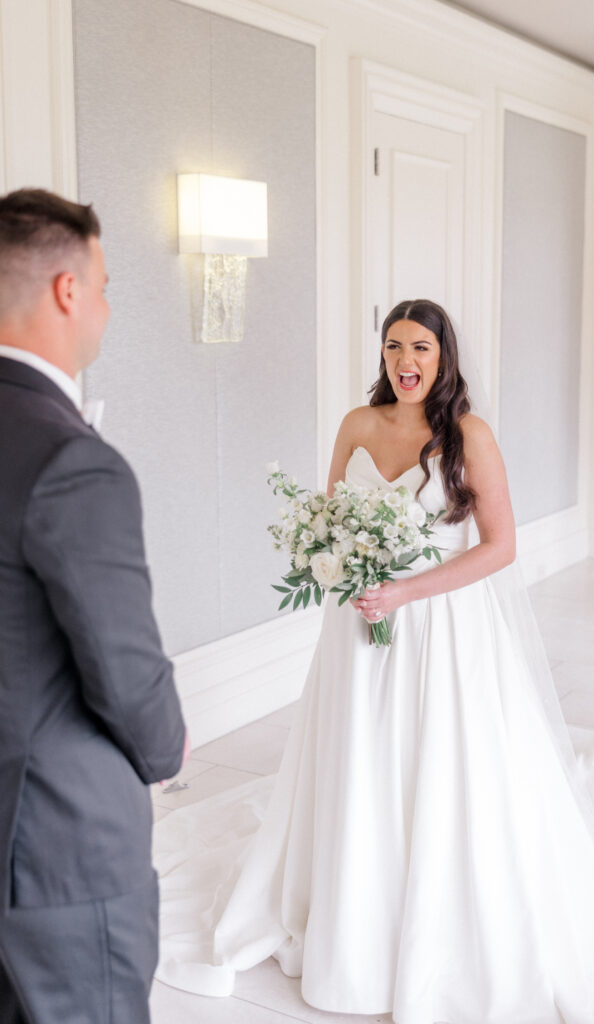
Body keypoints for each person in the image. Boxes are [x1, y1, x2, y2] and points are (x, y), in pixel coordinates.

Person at [155, 299, 594, 1023]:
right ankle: (353, 904)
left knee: (434, 761)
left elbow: (499, 547)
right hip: (360, 625)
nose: (406, 361)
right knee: (362, 758)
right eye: (394, 346)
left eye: (421, 348)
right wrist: (341, 568)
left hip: (441, 626)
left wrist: (405, 589)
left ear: (443, 358)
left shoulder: (468, 433)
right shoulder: (356, 424)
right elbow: (329, 518)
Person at [0, 188, 188, 1024]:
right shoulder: (74, 461)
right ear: (67, 291)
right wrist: (167, 748)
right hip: (52, 842)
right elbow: (123, 670)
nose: (108, 308)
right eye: (106, 285)